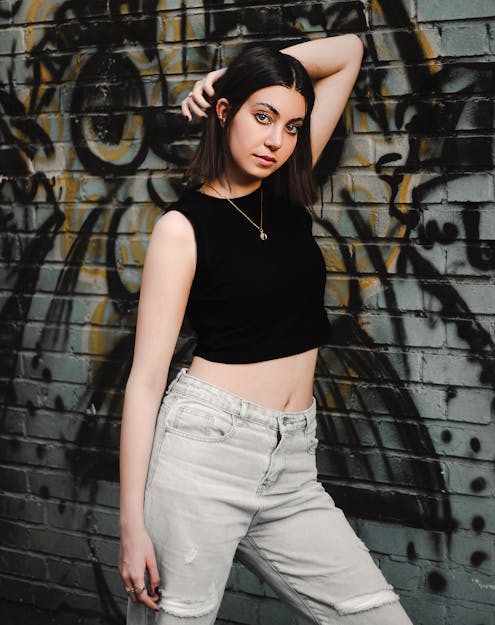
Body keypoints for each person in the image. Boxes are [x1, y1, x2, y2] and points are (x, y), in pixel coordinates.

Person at [119, 35, 414, 625]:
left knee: (377, 617)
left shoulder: (282, 192)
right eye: (261, 116)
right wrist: (131, 527)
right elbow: (145, 382)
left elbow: (349, 51)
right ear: (223, 114)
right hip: (204, 455)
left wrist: (237, 72)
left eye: (292, 126)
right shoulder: (182, 229)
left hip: (292, 462)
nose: (277, 139)